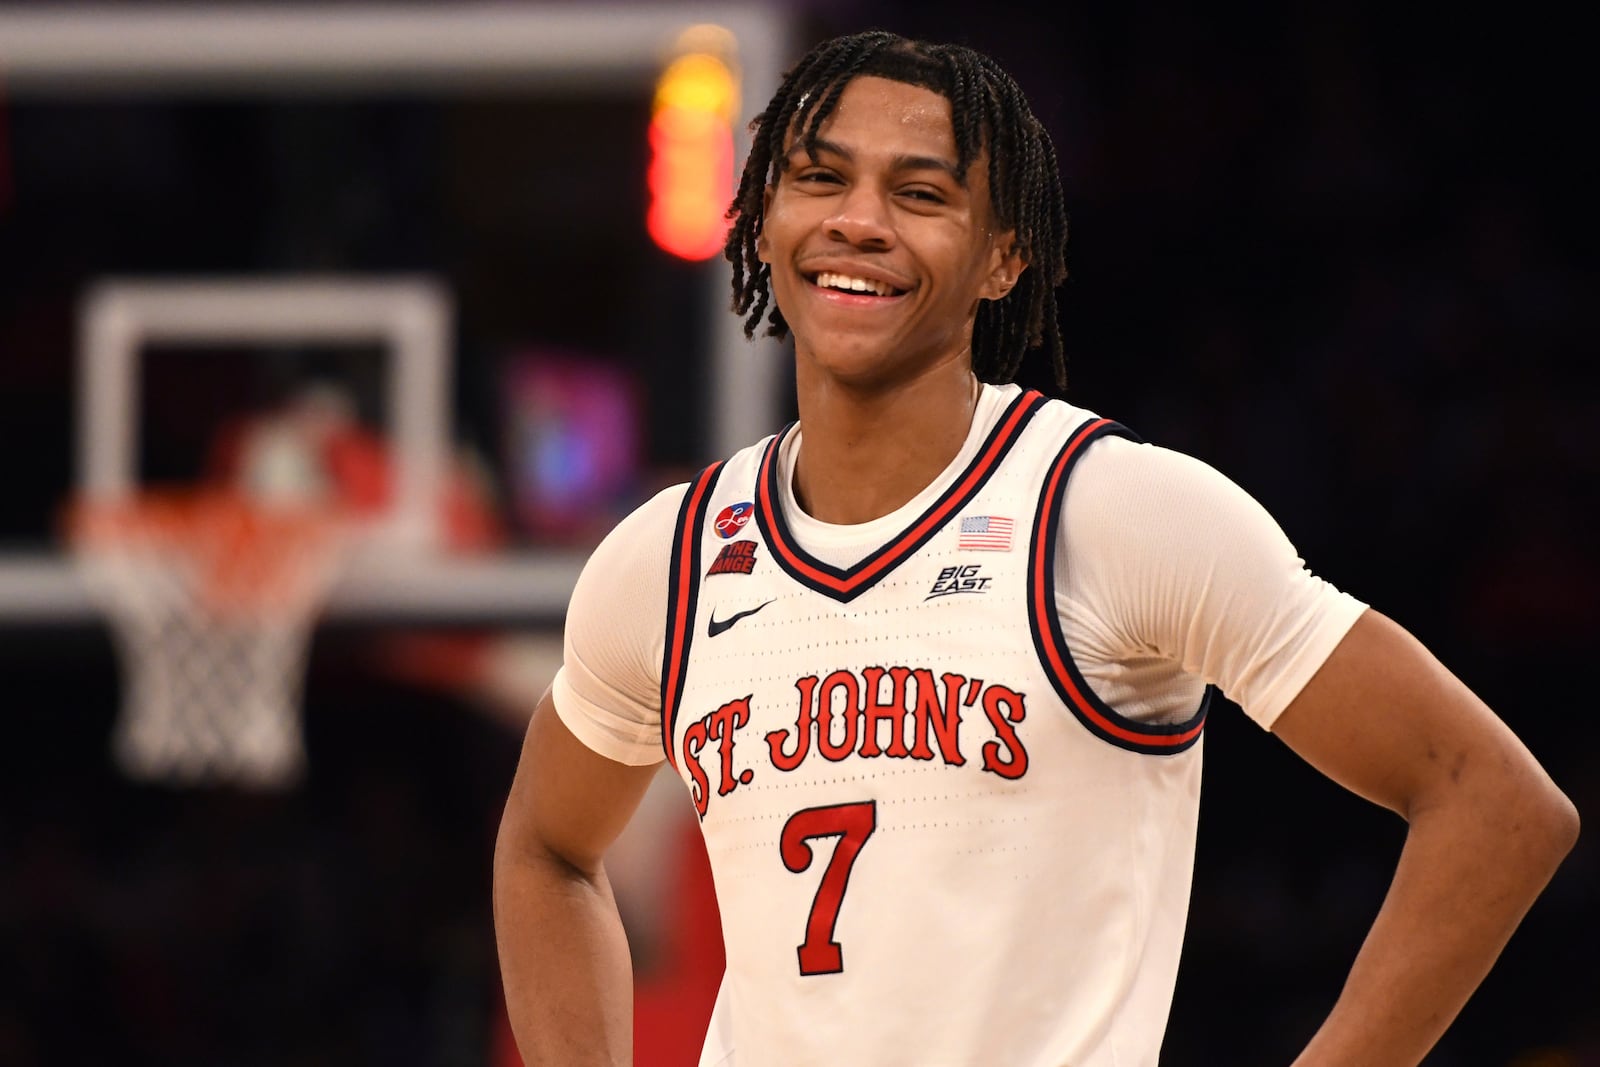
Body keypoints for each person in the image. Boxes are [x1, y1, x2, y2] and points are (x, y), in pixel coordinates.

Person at [492, 30, 1578, 1066]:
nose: (858, 221)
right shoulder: (670, 557)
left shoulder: (1109, 511)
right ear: (764, 217)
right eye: (820, 178)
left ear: (1003, 257)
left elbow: (1492, 800)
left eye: (919, 193)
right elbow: (545, 846)